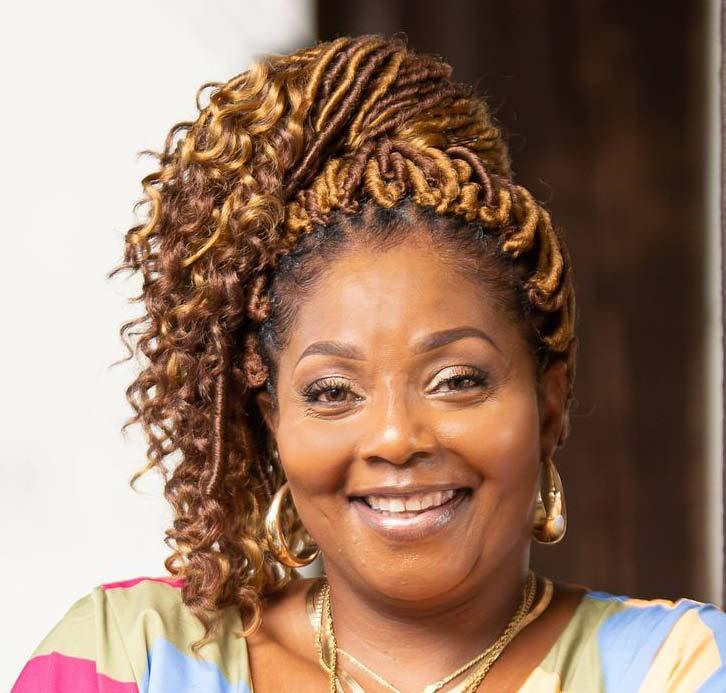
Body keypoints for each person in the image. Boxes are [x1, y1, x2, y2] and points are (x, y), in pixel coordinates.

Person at [12, 33, 726, 693]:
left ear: (548, 400)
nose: (395, 437)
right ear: (273, 419)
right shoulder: (130, 658)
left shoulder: (681, 669)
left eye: (457, 380)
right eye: (331, 391)